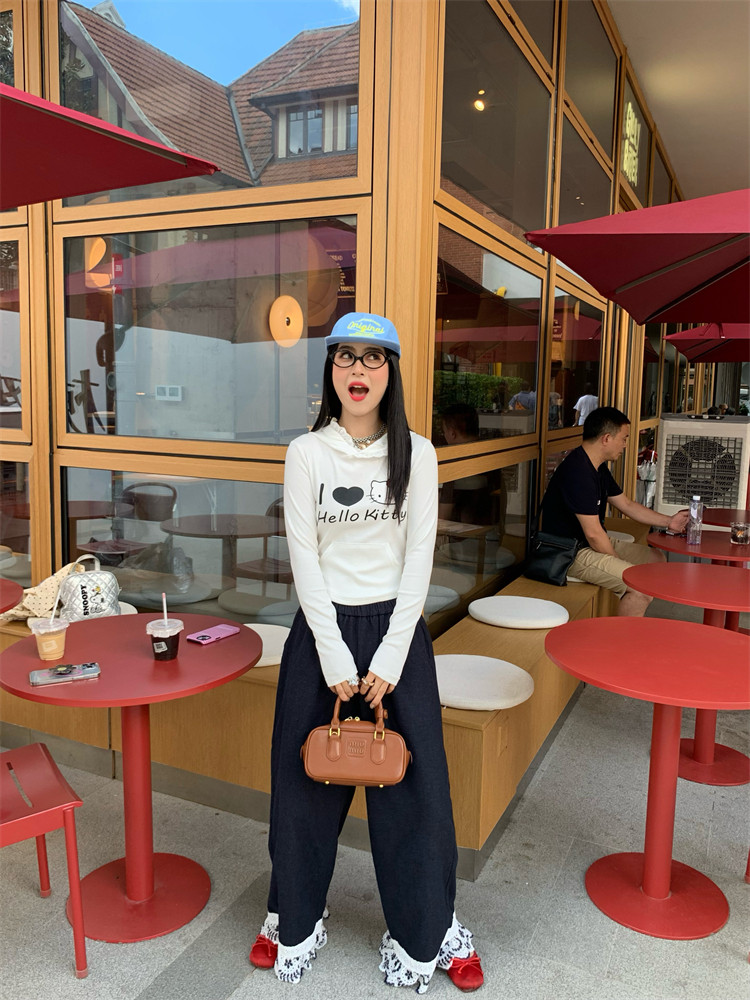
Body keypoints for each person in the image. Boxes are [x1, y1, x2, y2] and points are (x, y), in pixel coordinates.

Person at [249, 312, 484, 993]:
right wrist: (333, 658)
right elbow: (304, 559)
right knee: (301, 792)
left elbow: (419, 561)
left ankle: (427, 931)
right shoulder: (306, 453)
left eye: (373, 358)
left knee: (418, 798)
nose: (358, 370)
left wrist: (387, 659)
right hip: (321, 635)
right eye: (345, 357)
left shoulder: (419, 453)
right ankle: (293, 919)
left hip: (396, 637)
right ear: (330, 369)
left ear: (392, 371)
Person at [541, 406, 688, 616]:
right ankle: (623, 636)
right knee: (638, 586)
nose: (626, 445)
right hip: (569, 552)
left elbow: (626, 505)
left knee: (656, 559)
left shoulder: (596, 467)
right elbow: (593, 534)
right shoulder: (578, 473)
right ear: (606, 438)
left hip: (586, 544)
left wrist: (669, 521)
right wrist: (618, 561)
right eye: (624, 438)